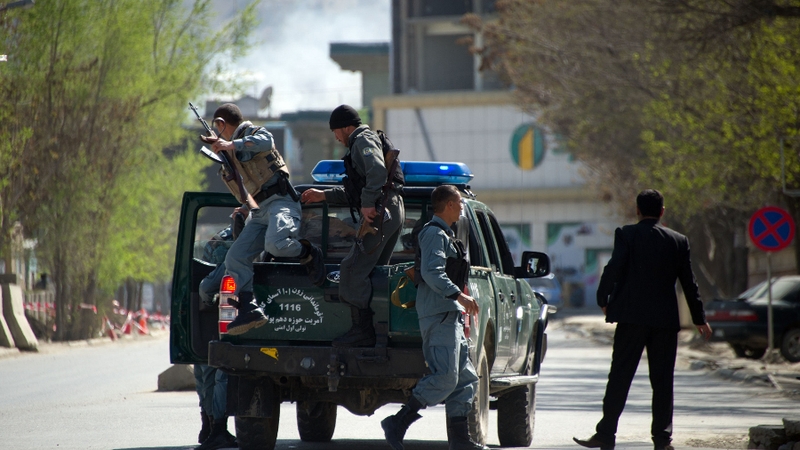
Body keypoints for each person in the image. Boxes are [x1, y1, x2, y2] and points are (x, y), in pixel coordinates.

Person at [573, 189, 713, 450]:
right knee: (662, 382)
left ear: (637, 210)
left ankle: (605, 435)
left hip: (631, 318)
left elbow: (614, 267)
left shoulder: (627, 234)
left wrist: (603, 298)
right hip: (664, 322)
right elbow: (689, 282)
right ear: (662, 211)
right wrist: (699, 318)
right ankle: (662, 440)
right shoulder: (678, 241)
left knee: (620, 377)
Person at [201, 103, 325, 336]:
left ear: (221, 124)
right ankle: (249, 307)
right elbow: (250, 187)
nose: (217, 135)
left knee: (275, 244)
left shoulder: (255, 133)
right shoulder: (232, 153)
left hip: (281, 203)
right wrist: (243, 208)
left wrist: (230, 145)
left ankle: (309, 252)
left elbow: (266, 142)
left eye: (217, 128)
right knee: (235, 257)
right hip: (259, 212)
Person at [380, 184, 487, 450]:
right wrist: (459, 296)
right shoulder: (433, 234)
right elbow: (432, 272)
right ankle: (397, 423)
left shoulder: (446, 235)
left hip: (450, 316)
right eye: (459, 202)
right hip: (438, 315)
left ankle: (460, 441)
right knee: (446, 377)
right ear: (448, 204)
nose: (461, 207)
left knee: (465, 380)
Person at [300, 105, 405, 347]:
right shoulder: (361, 141)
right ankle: (378, 328)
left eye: (336, 131)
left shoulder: (362, 140)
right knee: (374, 271)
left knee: (351, 268)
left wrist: (368, 204)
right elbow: (357, 190)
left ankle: (362, 331)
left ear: (347, 127)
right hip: (388, 209)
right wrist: (323, 195)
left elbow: (377, 172)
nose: (336, 137)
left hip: (381, 211)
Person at [194, 225, 237, 450]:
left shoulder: (221, 237)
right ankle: (215, 428)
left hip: (212, 318)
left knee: (205, 372)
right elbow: (208, 285)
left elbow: (204, 287)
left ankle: (208, 426)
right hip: (227, 320)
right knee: (217, 374)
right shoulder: (242, 240)